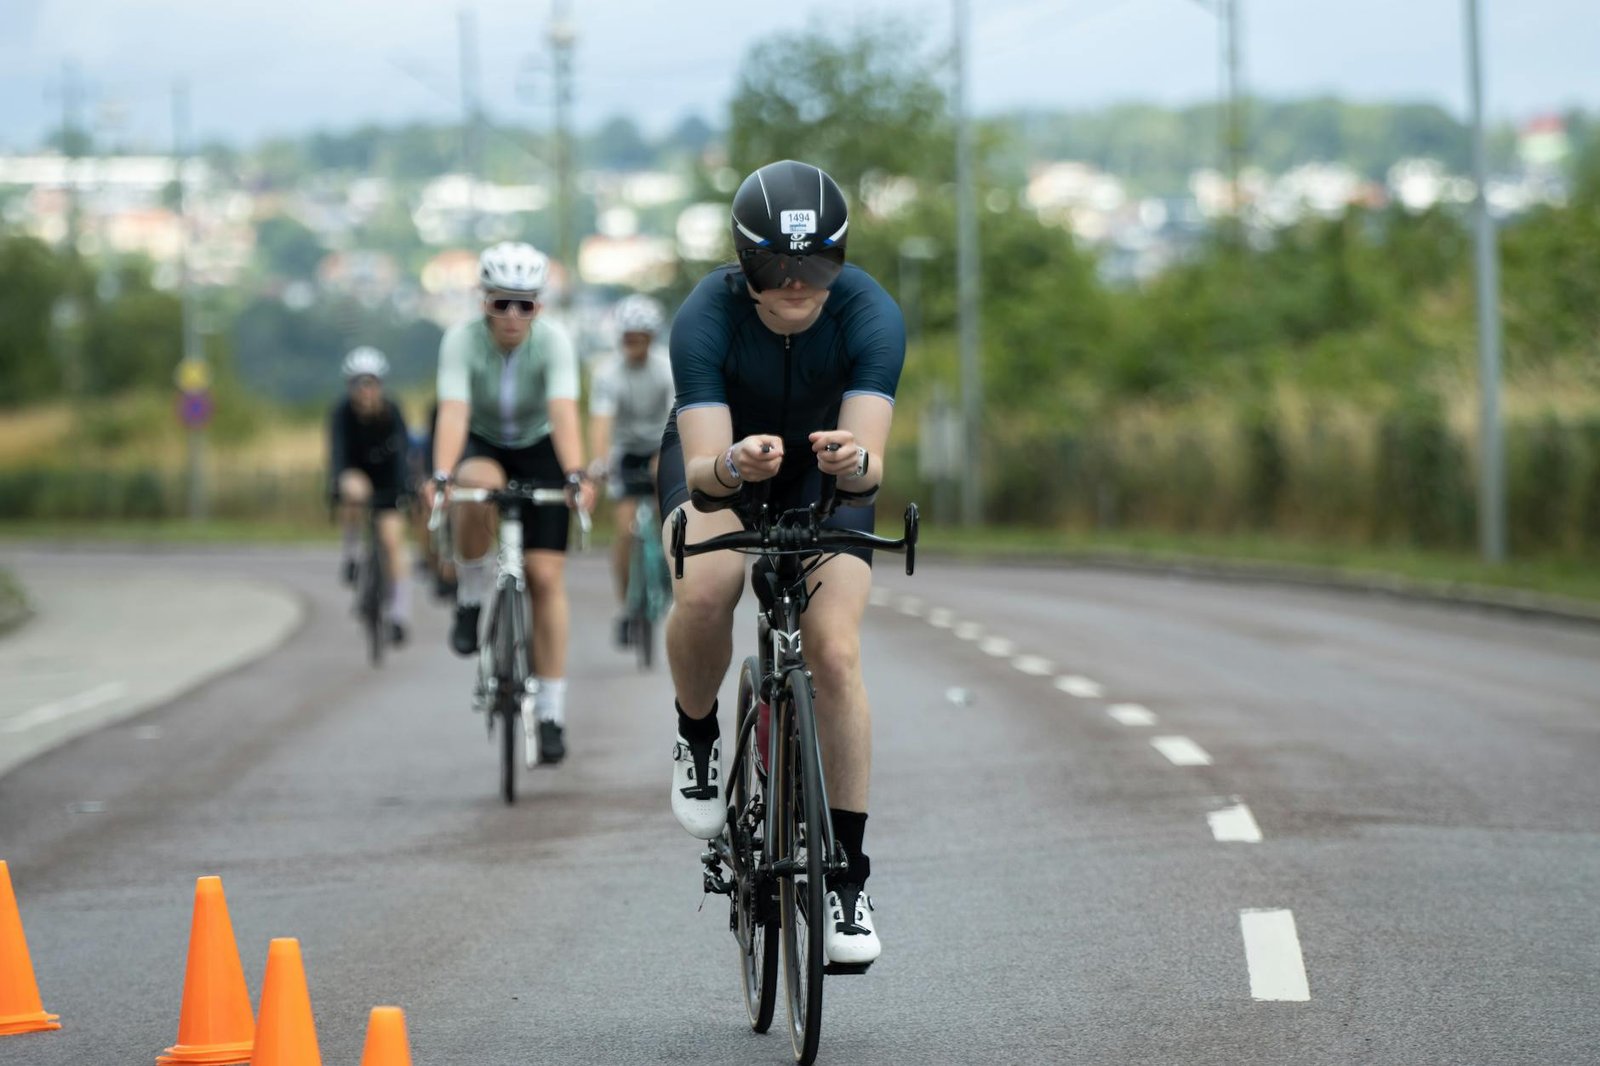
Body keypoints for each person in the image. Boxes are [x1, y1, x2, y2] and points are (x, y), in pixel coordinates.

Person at [659, 160, 904, 967]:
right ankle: (698, 734)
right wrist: (735, 464)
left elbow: (869, 471)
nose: (796, 284)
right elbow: (704, 475)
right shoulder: (706, 315)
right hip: (723, 463)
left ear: (841, 259)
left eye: (816, 265)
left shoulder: (871, 314)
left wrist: (852, 459)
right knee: (709, 585)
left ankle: (847, 882)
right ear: (745, 263)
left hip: (821, 476)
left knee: (834, 652)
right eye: (775, 267)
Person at [426, 241, 596, 767]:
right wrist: (441, 475)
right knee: (474, 483)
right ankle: (471, 593)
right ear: (484, 302)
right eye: (502, 303)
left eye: (526, 304)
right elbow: (454, 411)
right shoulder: (460, 340)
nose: (513, 315)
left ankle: (550, 712)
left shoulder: (555, 341)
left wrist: (575, 474)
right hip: (484, 442)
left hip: (541, 446)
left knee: (545, 579)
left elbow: (563, 411)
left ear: (539, 306)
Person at [586, 293, 675, 644]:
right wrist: (599, 463)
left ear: (651, 338)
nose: (633, 345)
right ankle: (627, 606)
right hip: (626, 451)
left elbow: (676, 417)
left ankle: (671, 578)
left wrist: (663, 457)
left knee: (669, 518)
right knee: (624, 532)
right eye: (627, 338)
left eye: (639, 338)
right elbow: (601, 422)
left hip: (662, 444)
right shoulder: (608, 372)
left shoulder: (666, 368)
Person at [328, 346, 412, 645]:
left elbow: (403, 454)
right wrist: (335, 484)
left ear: (380, 385)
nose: (365, 391)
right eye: (358, 384)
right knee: (354, 490)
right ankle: (351, 553)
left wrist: (406, 488)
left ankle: (399, 614)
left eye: (370, 383)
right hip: (356, 476)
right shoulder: (342, 414)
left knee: (392, 542)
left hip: (389, 482)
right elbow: (337, 455)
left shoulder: (392, 412)